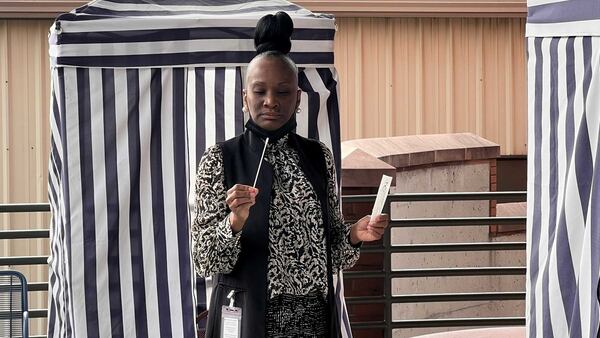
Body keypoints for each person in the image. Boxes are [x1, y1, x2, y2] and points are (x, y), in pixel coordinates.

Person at [192, 11, 389, 338]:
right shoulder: (220, 159)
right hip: (249, 322)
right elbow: (205, 260)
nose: (271, 101)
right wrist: (234, 222)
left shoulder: (317, 157)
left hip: (314, 324)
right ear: (245, 98)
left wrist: (355, 234)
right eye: (260, 91)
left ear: (297, 98)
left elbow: (334, 251)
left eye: (283, 92)